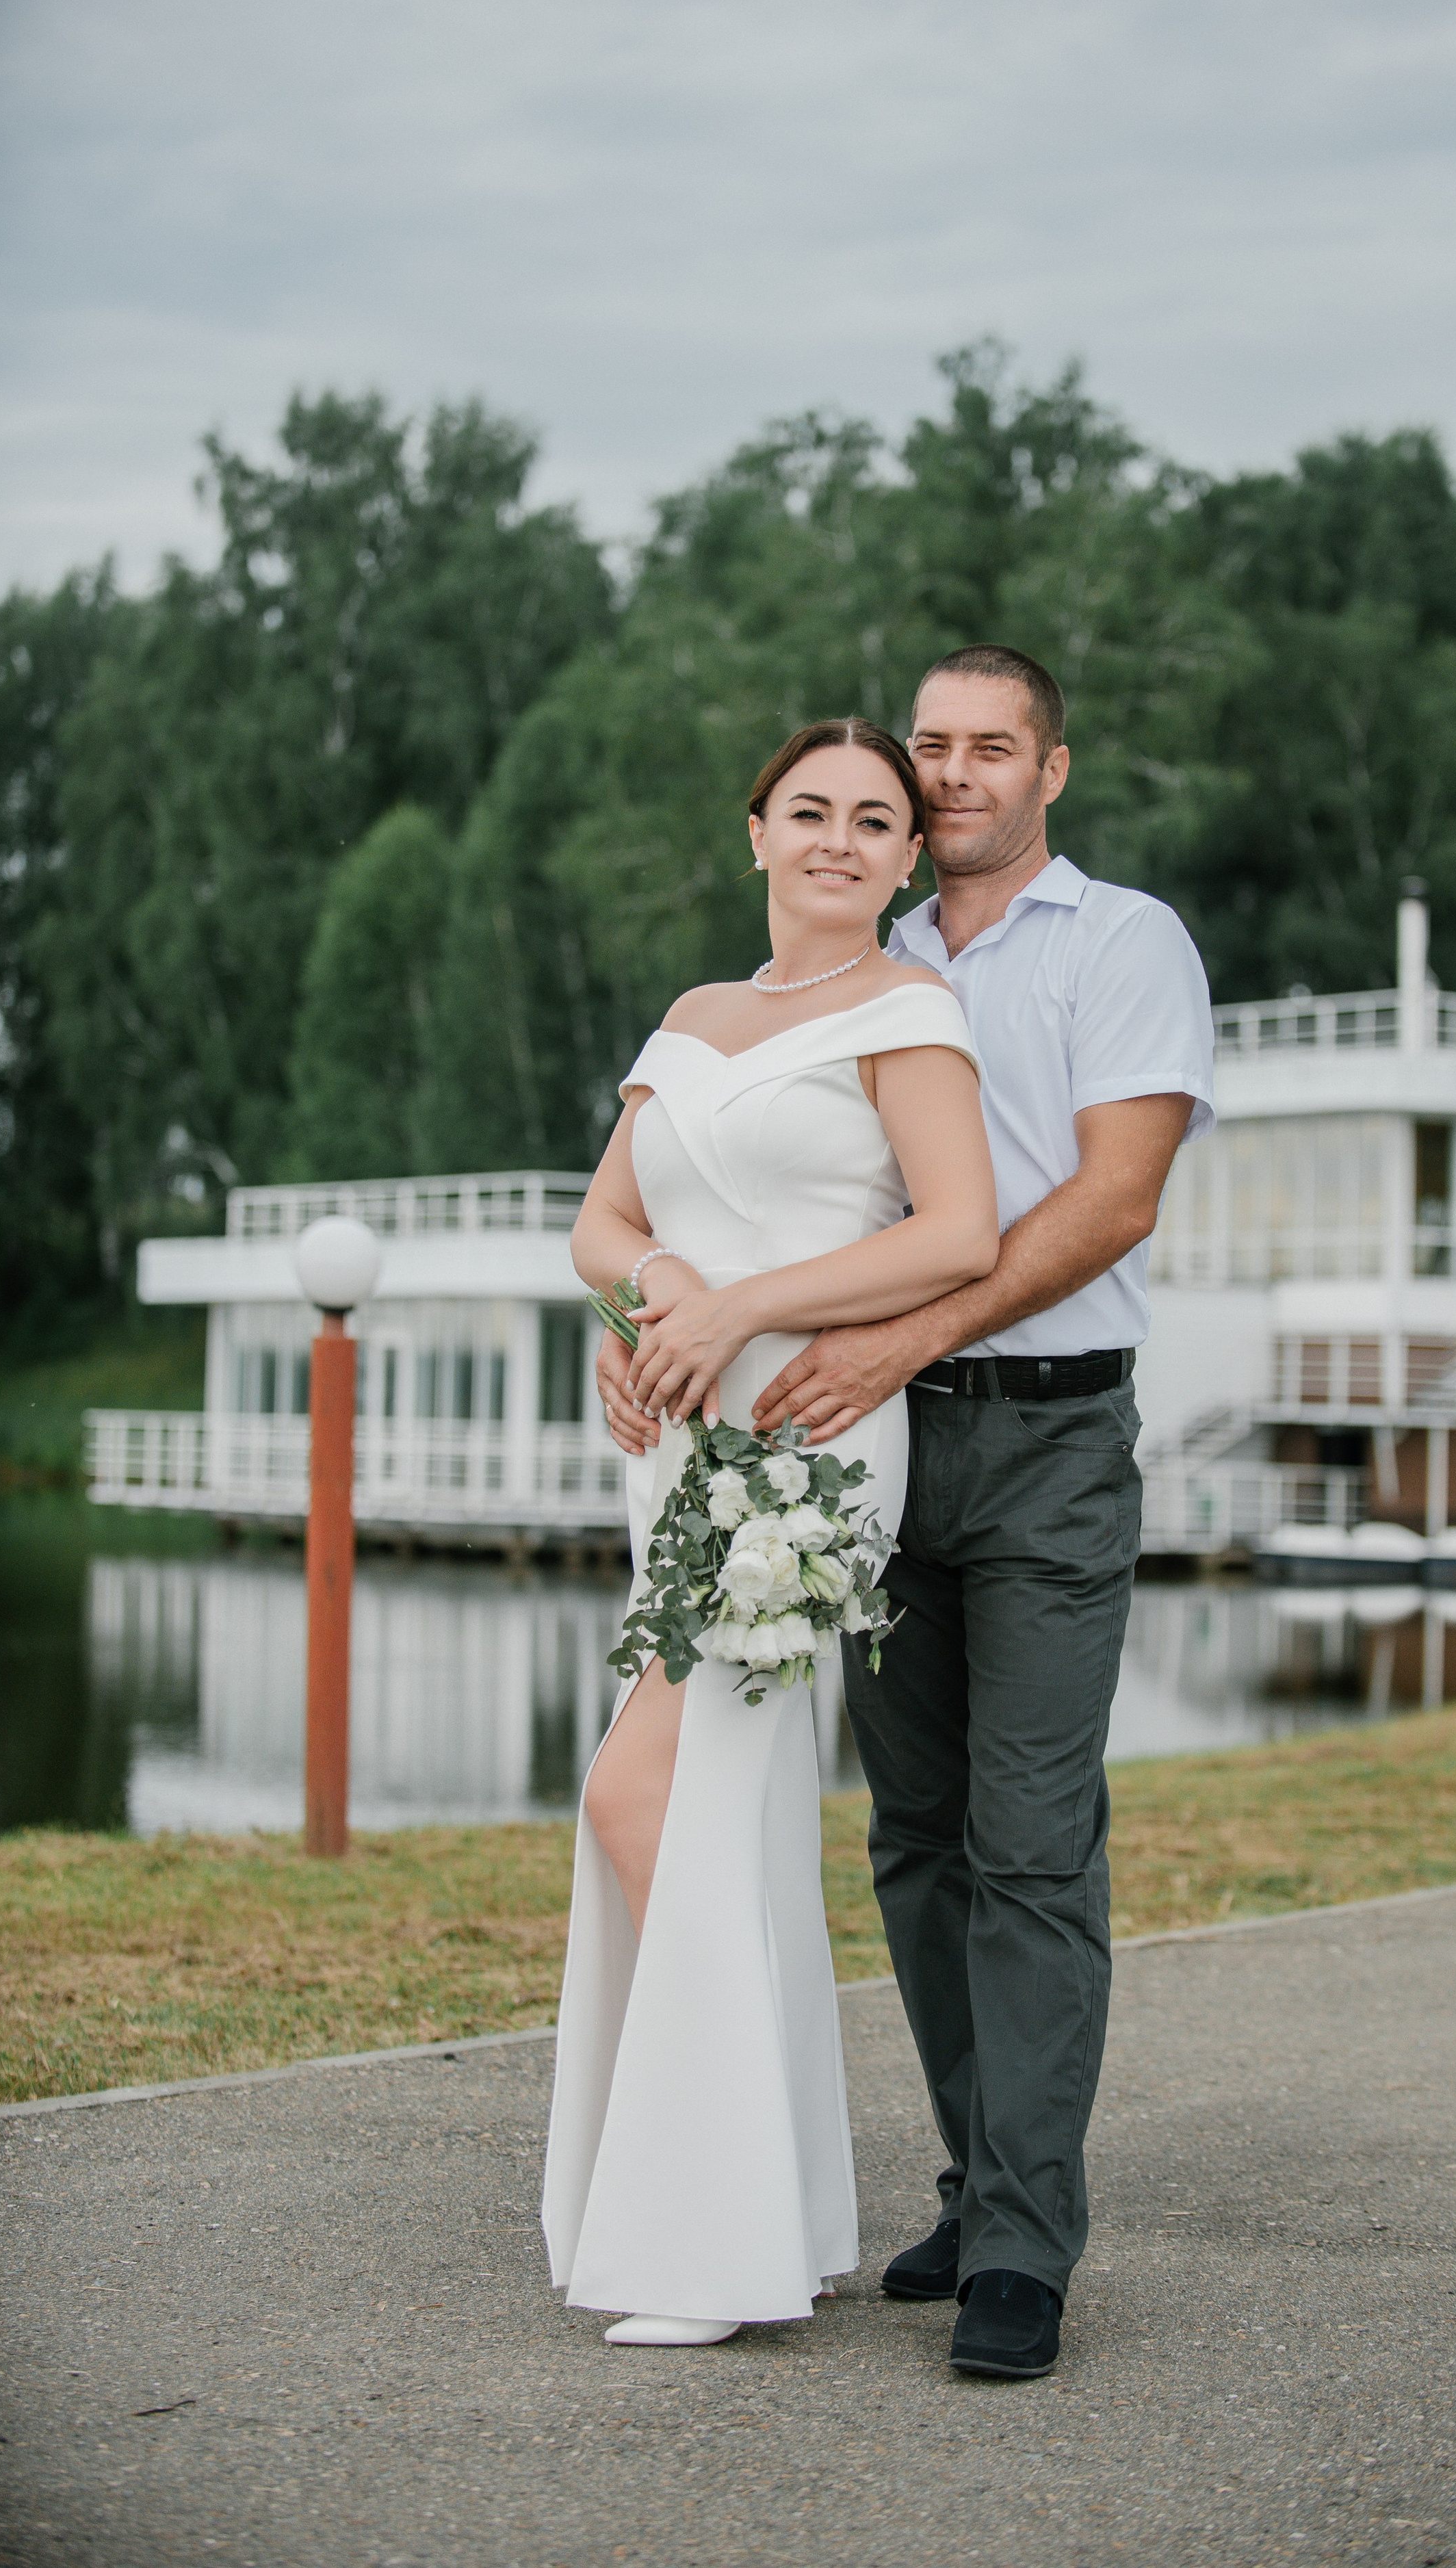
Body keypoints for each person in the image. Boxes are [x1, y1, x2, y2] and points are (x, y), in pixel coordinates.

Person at [599, 645, 1214, 2379]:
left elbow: (1108, 1198)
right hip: (843, 1453)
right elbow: (717, 1195)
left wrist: (904, 1338)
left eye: (984, 749)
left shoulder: (1118, 941)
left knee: (1030, 1841)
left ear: (1051, 769)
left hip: (1038, 1440)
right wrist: (654, 1320)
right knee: (914, 1839)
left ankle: (1025, 2240)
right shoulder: (858, 945)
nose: (947, 776)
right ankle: (972, 2179)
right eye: (925, 748)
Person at [543, 716, 999, 2349]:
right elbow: (603, 1216)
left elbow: (956, 1232)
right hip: (680, 1439)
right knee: (700, 1809)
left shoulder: (907, 1013)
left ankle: (720, 2221)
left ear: (902, 859)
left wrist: (738, 1300)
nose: (837, 837)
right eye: (807, 809)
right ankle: (767, 2210)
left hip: (805, 1438)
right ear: (753, 834)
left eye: (874, 820)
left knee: (649, 1791)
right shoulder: (691, 1019)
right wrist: (650, 1294)